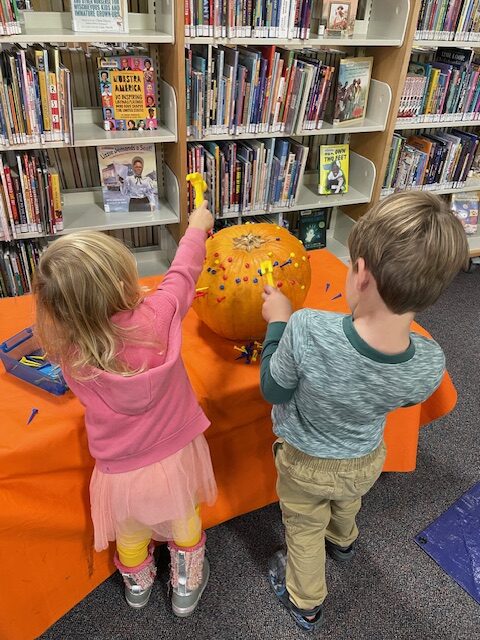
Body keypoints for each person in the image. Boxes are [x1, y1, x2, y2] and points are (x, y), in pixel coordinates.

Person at [260, 191, 469, 632]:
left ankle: (306, 601)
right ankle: (344, 542)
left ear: (360, 274)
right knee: (347, 499)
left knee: (302, 527)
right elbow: (406, 399)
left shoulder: (307, 327)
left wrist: (278, 320)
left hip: (305, 462)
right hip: (365, 456)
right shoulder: (431, 360)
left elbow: (273, 389)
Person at [33, 202, 218, 616]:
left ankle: (138, 587)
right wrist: (198, 228)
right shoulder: (159, 315)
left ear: (59, 310)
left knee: (130, 531)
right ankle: (186, 587)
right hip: (175, 455)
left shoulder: (70, 353)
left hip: (121, 470)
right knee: (185, 519)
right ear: (121, 282)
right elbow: (182, 273)